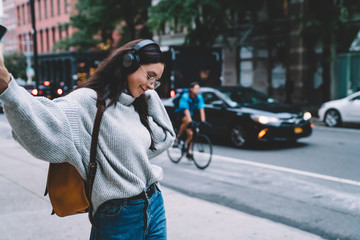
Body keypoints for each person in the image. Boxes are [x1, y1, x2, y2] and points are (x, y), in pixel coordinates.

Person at [0, 39, 175, 240]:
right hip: (119, 217)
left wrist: (149, 94)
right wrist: (8, 86)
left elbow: (165, 137)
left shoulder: (137, 104)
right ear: (128, 62)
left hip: (154, 204)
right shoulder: (89, 102)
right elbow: (46, 123)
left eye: (156, 80)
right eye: (150, 76)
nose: (152, 85)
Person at [175, 82, 206, 159]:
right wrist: (190, 121)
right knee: (187, 120)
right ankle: (178, 137)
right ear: (191, 89)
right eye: (196, 88)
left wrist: (203, 121)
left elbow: (201, 109)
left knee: (192, 134)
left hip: (190, 115)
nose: (198, 90)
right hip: (181, 115)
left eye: (199, 88)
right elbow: (186, 110)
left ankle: (187, 150)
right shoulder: (185, 96)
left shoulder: (199, 97)